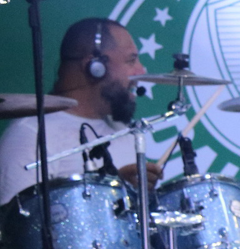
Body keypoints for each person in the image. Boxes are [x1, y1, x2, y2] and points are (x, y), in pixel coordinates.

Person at [0, 18, 161, 205]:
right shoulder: (32, 135)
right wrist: (110, 190)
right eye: (131, 60)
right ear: (95, 67)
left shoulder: (122, 130)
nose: (141, 70)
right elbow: (19, 221)